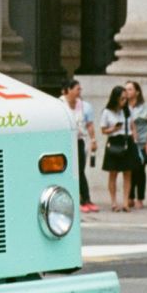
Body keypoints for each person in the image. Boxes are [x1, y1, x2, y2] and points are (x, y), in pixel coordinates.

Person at [61, 77, 98, 213]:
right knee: (68, 171)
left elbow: (89, 125)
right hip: (65, 142)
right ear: (68, 91)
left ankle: (86, 199)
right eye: (77, 89)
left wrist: (93, 140)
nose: (79, 92)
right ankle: (74, 199)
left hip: (79, 141)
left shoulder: (84, 106)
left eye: (80, 89)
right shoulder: (60, 104)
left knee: (80, 170)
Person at [99, 85, 136, 212]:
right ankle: (114, 202)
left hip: (127, 141)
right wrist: (113, 128)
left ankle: (125, 202)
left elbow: (132, 126)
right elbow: (103, 130)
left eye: (126, 99)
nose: (124, 101)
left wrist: (135, 141)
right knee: (113, 173)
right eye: (121, 99)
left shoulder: (128, 110)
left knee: (127, 173)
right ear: (115, 98)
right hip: (114, 141)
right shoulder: (107, 112)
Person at [124, 80, 147, 211]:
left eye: (130, 89)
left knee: (140, 171)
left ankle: (140, 198)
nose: (127, 92)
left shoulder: (146, 107)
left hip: (142, 143)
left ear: (137, 92)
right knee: (129, 170)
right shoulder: (123, 106)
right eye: (126, 89)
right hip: (128, 143)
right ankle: (130, 197)